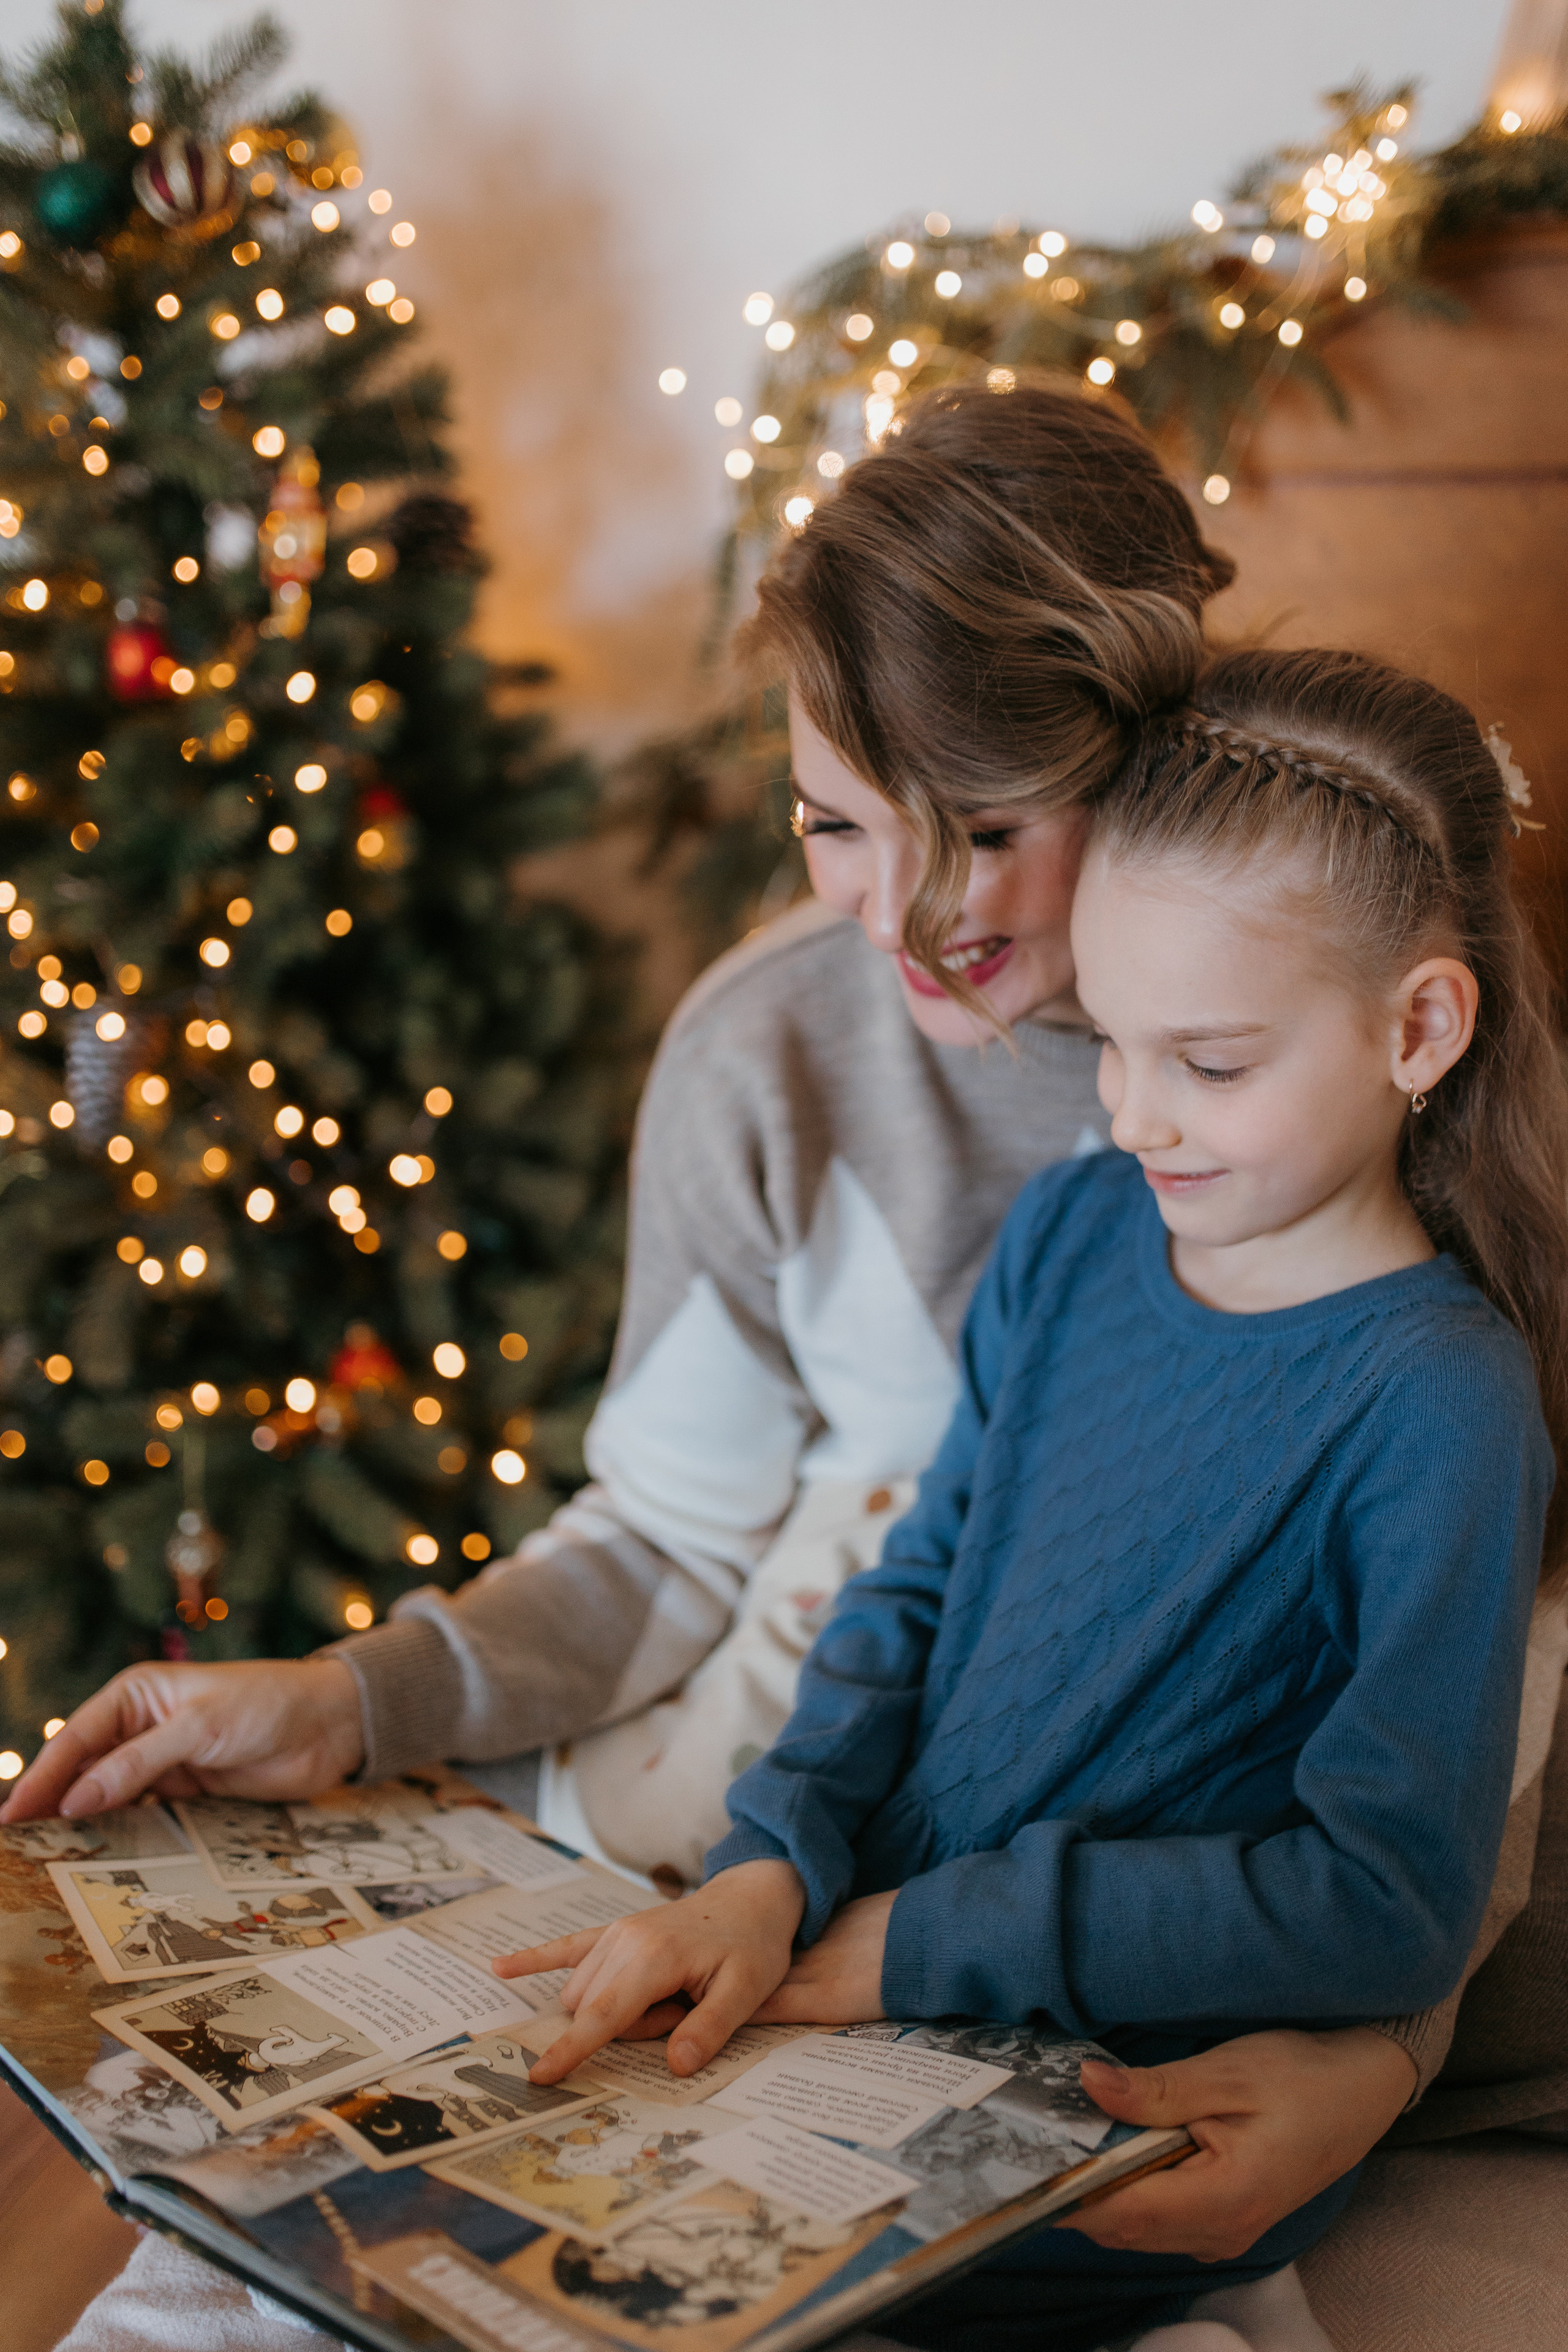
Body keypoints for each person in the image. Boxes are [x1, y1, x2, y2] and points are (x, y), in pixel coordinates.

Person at [10, 388, 1558, 2351]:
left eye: (988, 827)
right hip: (749, 1856)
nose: (905, 910)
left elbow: (1455, 1695)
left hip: (988, 1979)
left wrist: (1387, 2057)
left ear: (1160, 763)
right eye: (837, 821)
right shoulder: (789, 1065)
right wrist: (358, 1694)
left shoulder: (1364, 1118)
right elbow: (674, 1527)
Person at [500, 645, 1568, 2352]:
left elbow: (1384, 1901)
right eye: (1114, 1048)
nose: (1136, 1116)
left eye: (1209, 1064)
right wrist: (774, 1858)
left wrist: (932, 1939)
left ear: (1419, 1026)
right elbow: (915, 1591)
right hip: (877, 1978)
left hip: (1106, 2093)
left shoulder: (1438, 1399)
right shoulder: (1074, 1237)